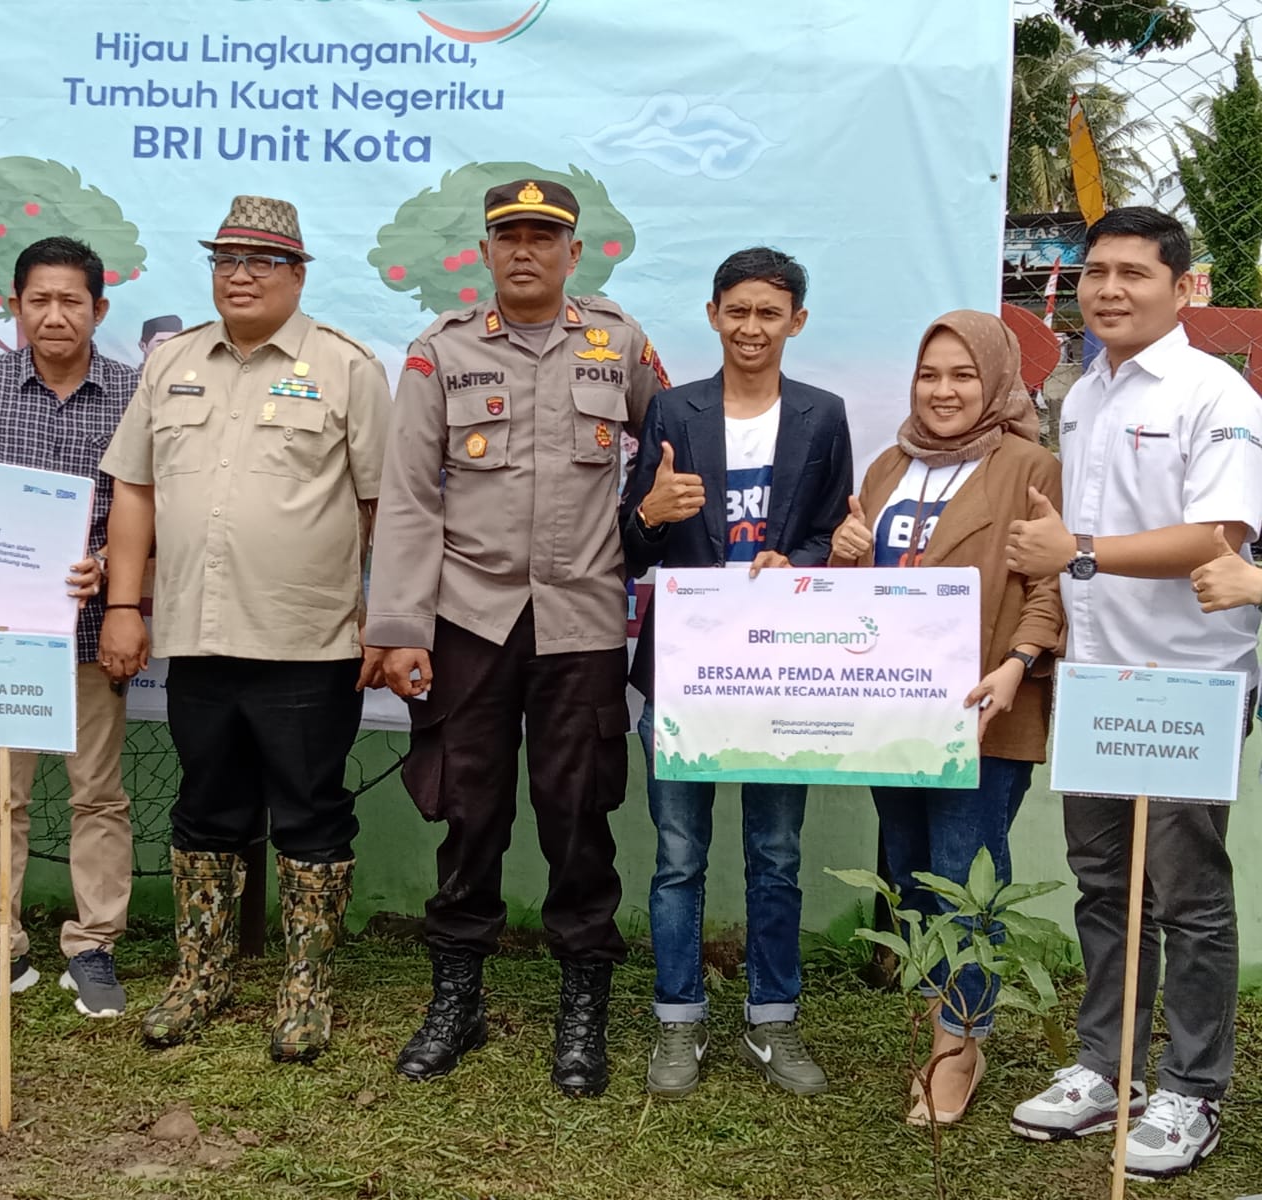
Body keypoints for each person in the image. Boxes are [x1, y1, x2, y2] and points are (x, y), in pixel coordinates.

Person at [366, 178, 667, 1098]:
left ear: (575, 253)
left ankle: (584, 1008)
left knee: (580, 816)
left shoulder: (620, 345)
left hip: (580, 620)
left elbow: (671, 449)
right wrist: (401, 626)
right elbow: (411, 498)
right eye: (510, 237)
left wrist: (654, 526)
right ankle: (458, 997)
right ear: (486, 253)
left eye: (546, 236)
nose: (527, 251)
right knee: (471, 813)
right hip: (470, 620)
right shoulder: (440, 354)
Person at [98, 195, 389, 1063]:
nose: (242, 273)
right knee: (204, 810)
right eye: (226, 258)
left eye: (263, 260)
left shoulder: (346, 369)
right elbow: (136, 491)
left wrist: (389, 618)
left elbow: (387, 506)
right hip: (198, 637)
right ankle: (202, 974)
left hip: (307, 642)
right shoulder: (173, 362)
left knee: (310, 813)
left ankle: (306, 989)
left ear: (298, 274)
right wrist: (122, 603)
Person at [1005, 207, 1262, 1181]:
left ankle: (1190, 1088)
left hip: (1187, 685)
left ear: (1182, 287)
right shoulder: (1084, 393)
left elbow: (1217, 536)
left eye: (1132, 274)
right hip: (1098, 678)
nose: (1108, 290)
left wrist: (1074, 550)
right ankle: (1104, 1066)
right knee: (1106, 887)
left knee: (1188, 898)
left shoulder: (1213, 394)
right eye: (1094, 272)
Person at [619, 247, 852, 1099]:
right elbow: (631, 546)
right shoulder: (674, 412)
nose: (753, 327)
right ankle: (678, 1021)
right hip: (686, 667)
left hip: (779, 675)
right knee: (679, 856)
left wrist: (806, 558)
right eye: (738, 310)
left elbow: (836, 531)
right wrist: (651, 511)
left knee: (776, 853)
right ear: (714, 314)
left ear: (795, 321)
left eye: (770, 312)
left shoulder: (823, 417)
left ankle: (773, 1017)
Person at [830, 309, 1063, 1124]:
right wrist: (844, 558)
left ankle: (959, 1045)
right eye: (930, 374)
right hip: (894, 715)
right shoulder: (890, 465)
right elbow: (866, 606)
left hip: (983, 713)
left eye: (963, 374)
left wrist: (1016, 665)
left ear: (996, 379)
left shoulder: (1029, 466)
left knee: (968, 884)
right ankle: (945, 1023)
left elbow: (1050, 586)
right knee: (915, 872)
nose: (944, 390)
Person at [0, 236, 131, 1024]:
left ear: (98, 309)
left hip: (89, 634)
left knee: (99, 795)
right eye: (39, 300)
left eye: (72, 300)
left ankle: (92, 946)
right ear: (14, 307)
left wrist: (108, 564)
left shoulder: (132, 393)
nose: (56, 315)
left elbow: (146, 506)